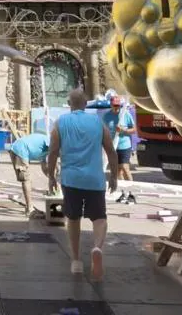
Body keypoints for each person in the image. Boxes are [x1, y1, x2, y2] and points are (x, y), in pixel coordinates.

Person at [44, 89, 117, 280]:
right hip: (95, 179)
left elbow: (52, 152)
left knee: (73, 219)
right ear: (86, 104)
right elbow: (110, 150)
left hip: (71, 179)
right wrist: (115, 176)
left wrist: (51, 176)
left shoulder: (60, 123)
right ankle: (97, 247)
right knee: (99, 218)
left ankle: (76, 261)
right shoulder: (97, 122)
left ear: (69, 104)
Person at [6, 131, 50, 218]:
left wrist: (52, 178)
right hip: (20, 150)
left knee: (27, 179)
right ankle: (29, 209)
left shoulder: (46, 147)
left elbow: (45, 167)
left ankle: (29, 208)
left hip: (21, 149)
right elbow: (54, 158)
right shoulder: (51, 142)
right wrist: (54, 179)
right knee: (26, 179)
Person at [110, 95, 137, 203]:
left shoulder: (125, 114)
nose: (117, 108)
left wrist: (124, 130)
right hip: (113, 146)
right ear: (111, 105)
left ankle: (131, 194)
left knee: (125, 168)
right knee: (117, 171)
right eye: (115, 105)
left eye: (118, 105)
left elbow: (134, 129)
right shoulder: (107, 116)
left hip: (125, 145)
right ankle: (123, 193)